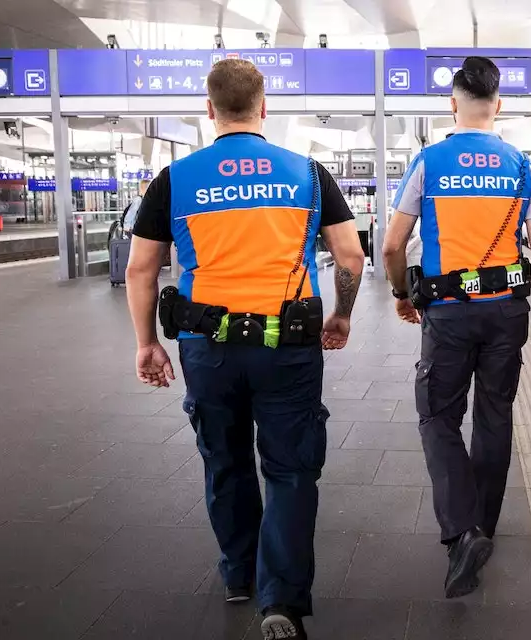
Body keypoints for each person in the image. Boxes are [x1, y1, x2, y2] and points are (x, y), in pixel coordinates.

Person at [125, 58, 364, 640]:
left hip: (207, 348)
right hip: (288, 347)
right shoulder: (307, 173)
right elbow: (352, 256)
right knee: (290, 469)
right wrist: (341, 314)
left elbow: (140, 268)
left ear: (209, 111)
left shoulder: (175, 179)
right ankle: (280, 598)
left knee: (225, 461)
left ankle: (239, 573)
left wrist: (147, 344)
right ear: (265, 108)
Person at [381, 56, 531, 599]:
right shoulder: (522, 166)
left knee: (438, 416)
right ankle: (483, 526)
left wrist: (401, 293)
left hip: (446, 313)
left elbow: (393, 245)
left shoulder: (429, 161)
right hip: (506, 313)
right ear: (499, 107)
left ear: (453, 103)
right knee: (495, 414)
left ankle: (461, 529)